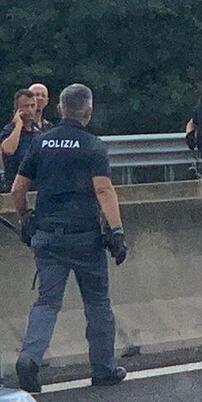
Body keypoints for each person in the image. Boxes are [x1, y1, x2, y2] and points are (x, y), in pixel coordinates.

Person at [10, 84, 128, 393]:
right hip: (85, 238)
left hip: (47, 236)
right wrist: (116, 231)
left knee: (47, 302)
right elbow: (103, 190)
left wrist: (24, 218)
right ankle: (103, 369)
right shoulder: (93, 146)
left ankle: (29, 358)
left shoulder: (41, 143)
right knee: (98, 304)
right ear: (87, 112)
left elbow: (18, 189)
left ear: (60, 109)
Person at [1, 90, 44, 190]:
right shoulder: (9, 130)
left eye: (32, 106)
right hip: (14, 187)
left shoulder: (39, 133)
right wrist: (18, 125)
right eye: (26, 106)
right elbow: (8, 150)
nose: (30, 109)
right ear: (17, 109)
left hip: (35, 186)